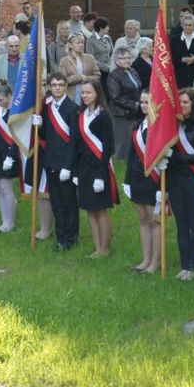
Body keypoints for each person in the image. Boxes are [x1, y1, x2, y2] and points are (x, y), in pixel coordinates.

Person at [33, 71, 79, 250]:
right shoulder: (48, 108)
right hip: (51, 161)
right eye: (54, 85)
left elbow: (74, 140)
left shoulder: (73, 108)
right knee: (57, 202)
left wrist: (68, 166)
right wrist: (38, 126)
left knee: (69, 202)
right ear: (49, 87)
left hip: (66, 163)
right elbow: (45, 136)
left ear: (66, 87)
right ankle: (60, 237)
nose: (57, 88)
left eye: (61, 85)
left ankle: (71, 238)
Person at [167, 88, 194, 281]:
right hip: (176, 180)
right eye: (179, 103)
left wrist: (174, 156)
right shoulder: (174, 125)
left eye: (185, 102)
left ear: (193, 103)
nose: (182, 106)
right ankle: (184, 265)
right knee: (181, 224)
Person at [75, 79, 117, 258]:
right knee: (89, 209)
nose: (85, 96)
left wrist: (100, 175)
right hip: (84, 167)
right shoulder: (82, 114)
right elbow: (78, 144)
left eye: (88, 92)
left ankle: (105, 249)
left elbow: (108, 147)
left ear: (97, 94)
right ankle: (97, 247)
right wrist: (76, 171)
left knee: (100, 209)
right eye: (83, 92)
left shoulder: (104, 116)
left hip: (99, 168)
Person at [123, 90, 160, 273]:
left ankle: (155, 262)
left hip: (153, 178)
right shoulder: (139, 123)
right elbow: (131, 153)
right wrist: (127, 180)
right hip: (137, 176)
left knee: (154, 221)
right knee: (143, 219)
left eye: (148, 102)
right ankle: (145, 259)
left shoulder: (159, 125)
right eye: (142, 102)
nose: (144, 105)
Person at [0, 80, 19, 232]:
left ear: (9, 96)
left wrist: (11, 155)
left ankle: (11, 222)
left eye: (2, 99)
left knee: (6, 187)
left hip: (10, 153)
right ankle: (4, 220)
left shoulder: (15, 111)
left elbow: (18, 136)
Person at [106, 46, 141, 160]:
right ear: (117, 60)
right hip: (121, 113)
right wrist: (134, 105)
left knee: (132, 138)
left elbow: (138, 88)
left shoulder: (133, 71)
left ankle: (128, 159)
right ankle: (120, 161)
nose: (127, 60)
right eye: (124, 58)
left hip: (135, 111)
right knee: (122, 140)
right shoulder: (114, 75)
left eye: (129, 57)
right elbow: (116, 96)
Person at [59, 32, 100, 105]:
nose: (81, 45)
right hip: (71, 96)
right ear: (70, 45)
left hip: (88, 95)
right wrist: (78, 77)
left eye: (82, 43)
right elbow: (63, 81)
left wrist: (85, 78)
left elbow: (97, 76)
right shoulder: (64, 61)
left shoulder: (90, 58)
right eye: (77, 43)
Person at [169, 14, 194, 89]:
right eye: (185, 25)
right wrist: (181, 59)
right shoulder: (175, 40)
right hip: (180, 76)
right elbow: (170, 57)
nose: (187, 27)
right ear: (182, 25)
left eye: (190, 25)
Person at [85, 17, 113, 95]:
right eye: (107, 26)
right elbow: (91, 58)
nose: (108, 28)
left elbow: (111, 54)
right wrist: (105, 67)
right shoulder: (91, 40)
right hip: (98, 71)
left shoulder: (108, 38)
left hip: (109, 71)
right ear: (101, 28)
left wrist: (111, 66)